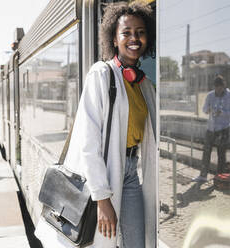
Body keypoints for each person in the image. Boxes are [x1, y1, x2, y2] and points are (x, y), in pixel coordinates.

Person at [35, 2, 156, 248]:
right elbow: (88, 142)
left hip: (130, 173)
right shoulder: (101, 74)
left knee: (136, 243)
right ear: (114, 38)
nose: (134, 38)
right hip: (102, 173)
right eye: (126, 32)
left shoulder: (144, 86)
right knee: (100, 242)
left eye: (140, 32)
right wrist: (102, 199)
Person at [192, 75, 230, 183]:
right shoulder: (210, 95)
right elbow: (204, 109)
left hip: (224, 128)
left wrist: (224, 113)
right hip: (211, 128)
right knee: (206, 152)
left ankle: (219, 177)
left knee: (221, 154)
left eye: (220, 88)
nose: (218, 90)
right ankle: (203, 176)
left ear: (224, 86)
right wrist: (207, 110)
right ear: (214, 87)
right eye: (216, 88)